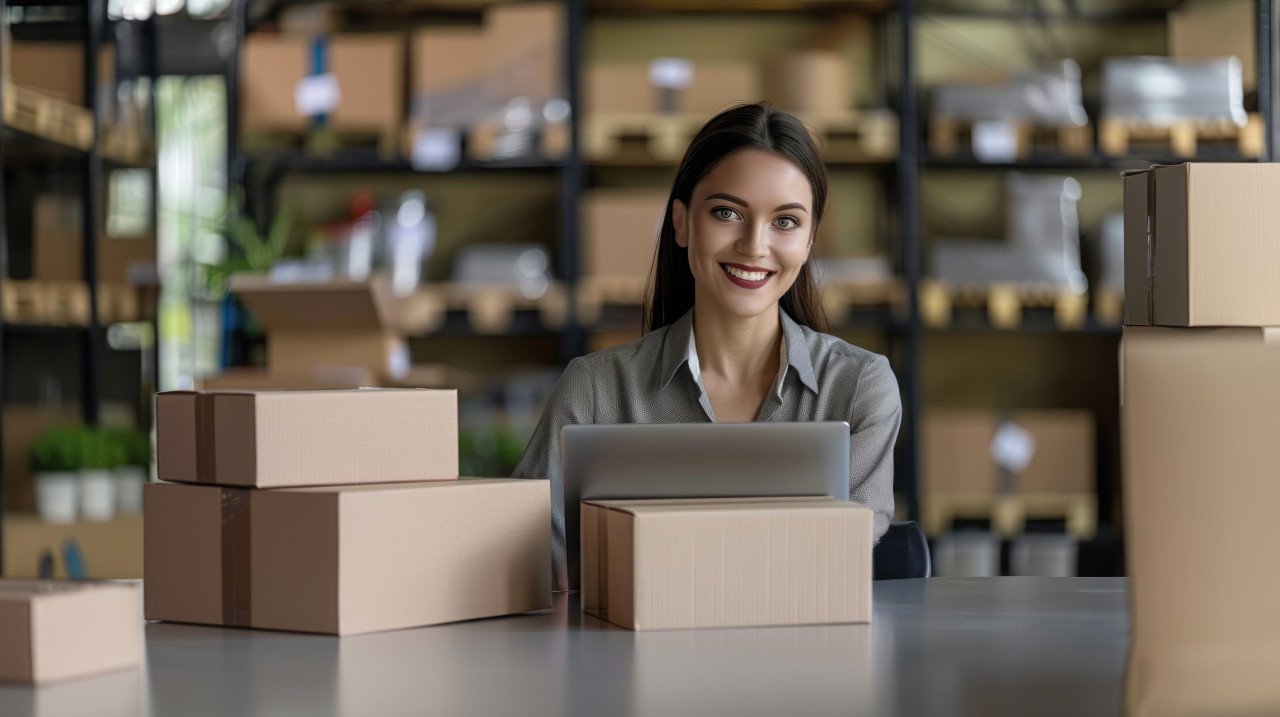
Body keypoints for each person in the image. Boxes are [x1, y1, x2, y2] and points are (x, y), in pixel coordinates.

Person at [513, 102, 902, 591]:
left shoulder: (859, 388)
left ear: (808, 243)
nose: (755, 245)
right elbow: (528, 556)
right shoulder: (594, 389)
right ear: (680, 223)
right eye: (727, 213)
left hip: (799, 661)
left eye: (786, 222)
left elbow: (835, 553)